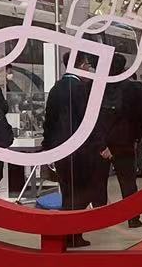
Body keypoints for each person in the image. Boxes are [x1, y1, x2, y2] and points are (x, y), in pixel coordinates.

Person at [41, 66, 107, 248]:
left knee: (67, 193)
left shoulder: (56, 88)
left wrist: (47, 146)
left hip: (60, 150)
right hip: (80, 151)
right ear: (82, 66)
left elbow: (49, 120)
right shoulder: (81, 89)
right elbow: (89, 121)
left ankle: (66, 233)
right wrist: (101, 145)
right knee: (81, 193)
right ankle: (73, 234)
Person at [97, 75, 142, 227]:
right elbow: (140, 116)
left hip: (104, 143)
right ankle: (133, 217)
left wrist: (100, 144)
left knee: (99, 182)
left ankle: (100, 217)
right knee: (128, 182)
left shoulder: (97, 88)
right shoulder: (133, 89)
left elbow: (94, 120)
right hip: (124, 142)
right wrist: (136, 138)